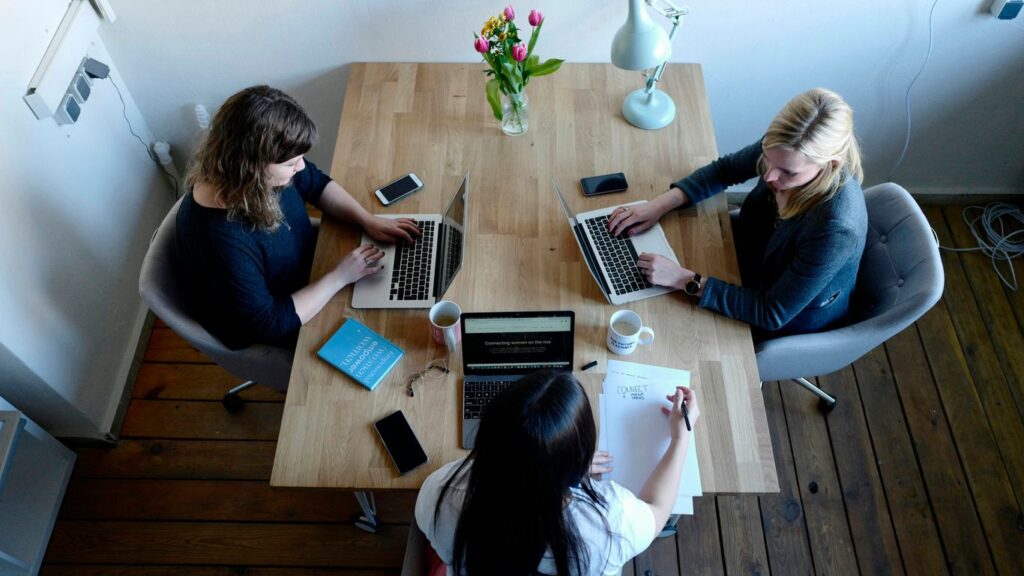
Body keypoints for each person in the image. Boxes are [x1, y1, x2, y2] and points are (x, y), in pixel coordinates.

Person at [176, 85, 420, 354]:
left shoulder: (256, 176)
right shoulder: (218, 241)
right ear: (251, 167)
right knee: (397, 333)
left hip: (314, 267)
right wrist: (339, 278)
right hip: (286, 315)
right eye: (291, 163)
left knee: (402, 296)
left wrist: (366, 219)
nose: (300, 167)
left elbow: (315, 183)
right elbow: (268, 323)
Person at [609, 88, 867, 338]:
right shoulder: (784, 146)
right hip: (746, 259)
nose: (769, 176)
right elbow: (725, 170)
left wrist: (683, 279)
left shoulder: (835, 228)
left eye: (788, 172)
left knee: (672, 331)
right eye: (767, 158)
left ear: (830, 164)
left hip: (780, 316)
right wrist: (658, 205)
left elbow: (771, 312)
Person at [415, 370, 699, 576]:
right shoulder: (611, 523)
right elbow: (658, 510)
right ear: (578, 464)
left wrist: (549, 462)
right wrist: (680, 437)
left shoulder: (439, 492)